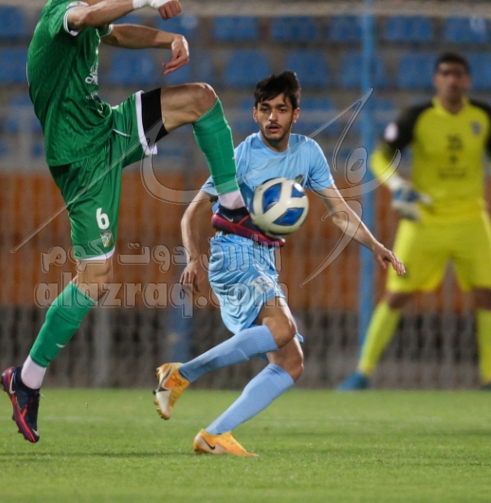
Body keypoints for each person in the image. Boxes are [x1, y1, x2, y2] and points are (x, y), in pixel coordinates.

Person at [0, 0, 282, 444]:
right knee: (95, 280)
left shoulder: (92, 22)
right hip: (81, 160)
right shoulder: (61, 14)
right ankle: (26, 380)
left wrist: (165, 39)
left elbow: (112, 31)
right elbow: (89, 18)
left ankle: (233, 207)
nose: (127, 4)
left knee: (201, 99)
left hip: (107, 128)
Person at [154, 71, 405, 456]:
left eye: (282, 109)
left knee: (290, 362)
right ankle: (181, 373)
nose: (273, 117)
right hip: (233, 252)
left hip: (264, 259)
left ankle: (215, 435)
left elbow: (339, 211)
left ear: (295, 114)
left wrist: (375, 245)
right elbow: (191, 214)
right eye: (266, 109)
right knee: (283, 328)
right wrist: (193, 259)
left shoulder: (308, 153)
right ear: (255, 113)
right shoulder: (241, 156)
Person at [338, 52, 491, 391]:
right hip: (424, 220)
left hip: (470, 219)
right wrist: (398, 185)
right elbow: (380, 158)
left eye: (458, 73)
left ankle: (489, 377)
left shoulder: (483, 117)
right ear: (437, 80)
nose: (452, 79)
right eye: (446, 73)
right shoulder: (417, 117)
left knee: (487, 295)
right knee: (396, 295)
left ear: (467, 80)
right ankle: (363, 372)